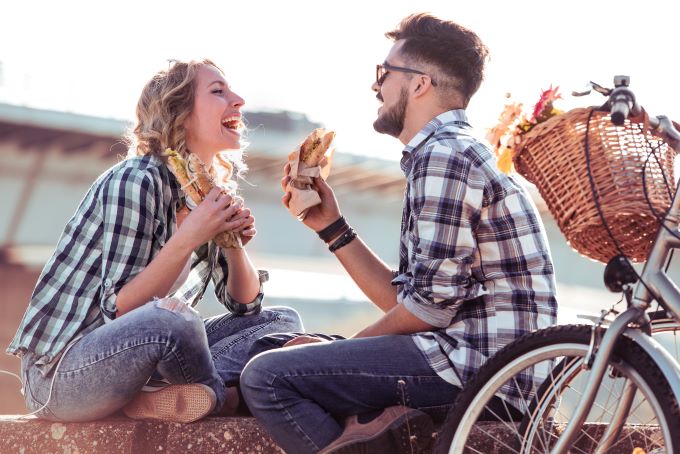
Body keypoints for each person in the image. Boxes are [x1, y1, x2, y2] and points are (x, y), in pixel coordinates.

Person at [240, 13, 558, 453]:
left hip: (481, 372)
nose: (377, 86)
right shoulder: (450, 152)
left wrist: (342, 350)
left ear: (420, 83)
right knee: (275, 343)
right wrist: (331, 228)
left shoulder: (445, 156)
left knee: (268, 376)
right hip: (465, 356)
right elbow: (414, 302)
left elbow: (428, 312)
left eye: (384, 73)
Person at [6, 59, 302, 423]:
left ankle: (165, 397)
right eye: (218, 92)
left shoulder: (205, 193)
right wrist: (192, 233)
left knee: (280, 321)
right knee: (175, 319)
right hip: (60, 376)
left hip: (142, 357)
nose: (238, 100)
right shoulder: (136, 179)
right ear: (180, 111)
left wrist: (231, 242)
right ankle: (221, 396)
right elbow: (122, 309)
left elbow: (245, 305)